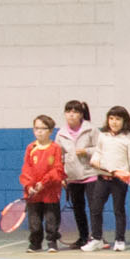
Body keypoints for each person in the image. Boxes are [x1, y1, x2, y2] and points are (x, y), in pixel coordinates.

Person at [87, 105, 130, 251]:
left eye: (118, 119)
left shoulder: (129, 138)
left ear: (124, 121)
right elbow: (98, 152)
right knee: (95, 209)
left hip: (120, 181)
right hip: (102, 179)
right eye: (111, 118)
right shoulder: (103, 136)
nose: (114, 122)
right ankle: (97, 239)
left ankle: (120, 240)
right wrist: (95, 160)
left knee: (118, 210)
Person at [55, 100, 99, 250]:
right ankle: (83, 237)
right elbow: (58, 157)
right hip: (72, 176)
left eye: (75, 112)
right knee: (78, 209)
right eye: (68, 112)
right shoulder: (61, 133)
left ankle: (97, 237)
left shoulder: (91, 129)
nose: (71, 115)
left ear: (81, 114)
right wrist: (62, 176)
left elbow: (101, 148)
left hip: (91, 173)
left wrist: (87, 151)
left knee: (94, 208)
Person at [20, 114, 65, 252]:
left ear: (50, 131)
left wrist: (44, 183)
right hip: (33, 193)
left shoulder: (55, 148)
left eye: (43, 128)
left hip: (50, 192)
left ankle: (52, 242)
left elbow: (58, 169)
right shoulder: (30, 148)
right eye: (36, 128)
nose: (39, 131)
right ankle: (35, 243)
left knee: (52, 219)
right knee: (34, 221)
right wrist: (29, 185)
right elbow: (26, 169)